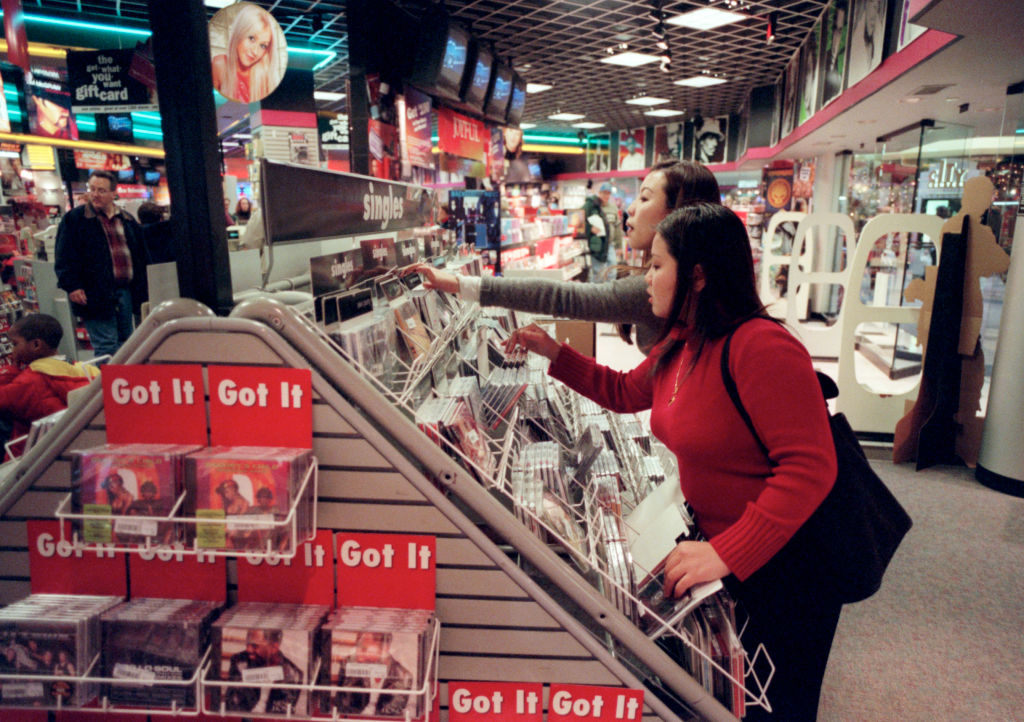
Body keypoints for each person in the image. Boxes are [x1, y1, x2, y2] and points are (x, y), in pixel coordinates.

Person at [503, 202, 839, 721]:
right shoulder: (683, 343)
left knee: (776, 704)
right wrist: (554, 352)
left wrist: (728, 552)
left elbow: (811, 467)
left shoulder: (763, 348)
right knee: (729, 697)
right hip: (724, 559)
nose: (645, 281)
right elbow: (622, 391)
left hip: (784, 570)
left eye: (656, 266)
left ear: (698, 276)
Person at [403, 160, 721, 355]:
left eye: (645, 198)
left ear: (678, 213)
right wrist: (557, 354)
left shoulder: (655, 289)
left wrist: (461, 284)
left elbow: (560, 296)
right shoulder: (700, 289)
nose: (631, 209)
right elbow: (632, 391)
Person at [55, 170, 150, 358]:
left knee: (127, 343)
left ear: (114, 193)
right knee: (106, 346)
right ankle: (107, 386)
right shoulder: (75, 220)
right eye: (92, 189)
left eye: (101, 190)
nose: (95, 194)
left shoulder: (127, 220)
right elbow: (64, 255)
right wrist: (72, 286)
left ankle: (125, 384)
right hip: (94, 293)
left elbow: (141, 256)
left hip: (125, 291)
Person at [0, 314, 99, 458]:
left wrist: (9, 371)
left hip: (29, 459)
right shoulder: (84, 369)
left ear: (36, 345)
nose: (12, 351)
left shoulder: (28, 382)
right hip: (74, 445)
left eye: (15, 344)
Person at [211, 3, 283, 104]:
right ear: (239, 33)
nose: (254, 51)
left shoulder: (265, 77)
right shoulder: (220, 64)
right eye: (251, 39)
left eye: (263, 46)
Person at [335, 631, 415, 717]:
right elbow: (343, 705)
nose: (357, 653)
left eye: (364, 648)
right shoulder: (349, 666)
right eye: (357, 646)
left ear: (384, 648)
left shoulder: (403, 677)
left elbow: (392, 713)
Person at [225, 628, 303, 713]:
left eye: (255, 646)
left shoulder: (294, 675)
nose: (248, 649)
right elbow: (232, 705)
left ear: (274, 647)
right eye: (247, 643)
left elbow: (282, 714)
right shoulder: (240, 662)